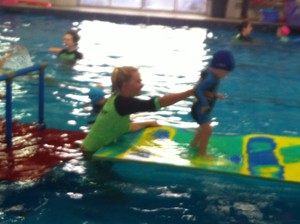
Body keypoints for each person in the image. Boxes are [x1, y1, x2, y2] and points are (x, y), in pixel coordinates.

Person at [81, 66, 195, 153]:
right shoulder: (123, 103)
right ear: (126, 85)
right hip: (92, 153)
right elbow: (158, 103)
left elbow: (123, 128)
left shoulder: (115, 98)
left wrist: (146, 123)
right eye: (138, 81)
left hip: (91, 147)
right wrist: (190, 92)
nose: (142, 84)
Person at [190, 50, 235, 158]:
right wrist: (205, 104)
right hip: (200, 108)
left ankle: (193, 145)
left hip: (202, 108)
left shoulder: (212, 75)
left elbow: (206, 91)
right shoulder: (211, 79)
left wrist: (215, 95)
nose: (227, 75)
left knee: (203, 128)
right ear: (218, 68)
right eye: (226, 72)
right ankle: (202, 153)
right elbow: (197, 90)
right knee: (208, 130)